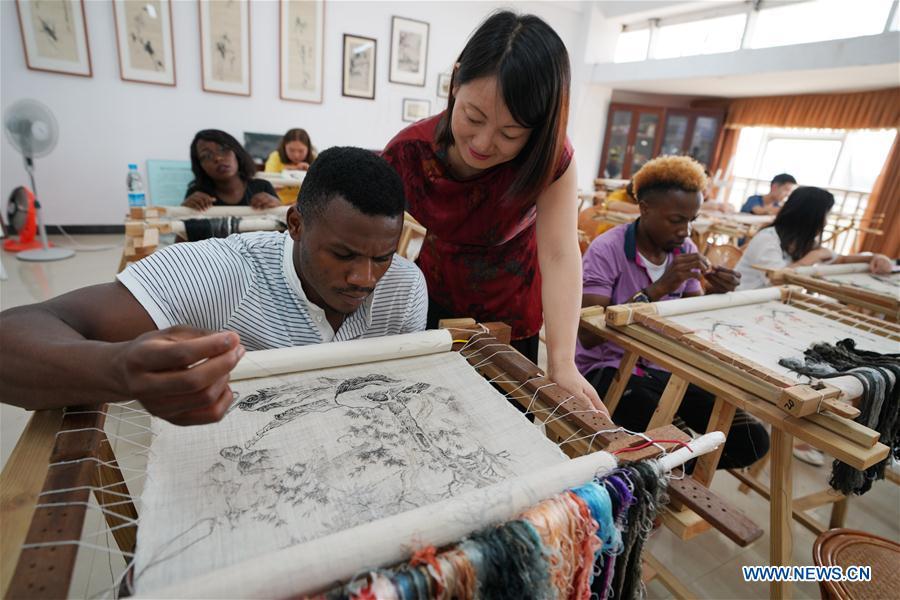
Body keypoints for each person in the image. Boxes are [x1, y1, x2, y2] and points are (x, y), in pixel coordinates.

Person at [0, 147, 427, 426]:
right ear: (295, 224)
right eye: (343, 255)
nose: (365, 279)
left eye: (382, 257)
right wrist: (120, 369)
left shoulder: (404, 288)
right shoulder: (222, 273)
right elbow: (16, 335)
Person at [382, 11, 604, 413]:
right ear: (455, 83)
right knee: (422, 416)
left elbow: (558, 254)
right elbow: (371, 242)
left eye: (510, 134)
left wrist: (562, 362)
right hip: (432, 299)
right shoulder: (409, 153)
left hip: (510, 317)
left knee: (498, 426)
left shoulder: (551, 160)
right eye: (473, 117)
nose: (483, 143)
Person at [576, 156, 769, 470]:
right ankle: (667, 469)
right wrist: (660, 287)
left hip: (666, 364)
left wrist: (715, 293)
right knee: (665, 441)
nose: (686, 231)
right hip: (607, 366)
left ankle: (668, 469)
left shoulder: (686, 250)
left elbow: (688, 319)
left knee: (752, 441)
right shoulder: (607, 249)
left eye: (691, 220)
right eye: (677, 220)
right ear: (645, 208)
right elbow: (588, 332)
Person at [736, 186, 893, 291]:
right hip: (743, 300)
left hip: (770, 302)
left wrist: (875, 257)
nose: (826, 221)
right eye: (826, 215)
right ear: (811, 217)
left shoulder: (802, 242)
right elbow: (776, 280)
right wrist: (813, 257)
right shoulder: (768, 238)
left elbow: (841, 260)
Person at [183, 129, 281, 211]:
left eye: (223, 149)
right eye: (207, 156)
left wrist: (277, 206)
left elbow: (284, 229)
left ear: (236, 153)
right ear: (200, 166)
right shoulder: (197, 193)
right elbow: (182, 232)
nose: (218, 158)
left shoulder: (262, 187)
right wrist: (185, 211)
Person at [265, 128, 317, 204]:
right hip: (278, 204)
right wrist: (285, 171)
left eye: (301, 151)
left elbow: (320, 189)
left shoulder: (315, 159)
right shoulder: (275, 156)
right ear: (284, 147)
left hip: (305, 205)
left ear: (308, 149)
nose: (296, 155)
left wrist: (310, 171)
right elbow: (269, 182)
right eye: (291, 150)